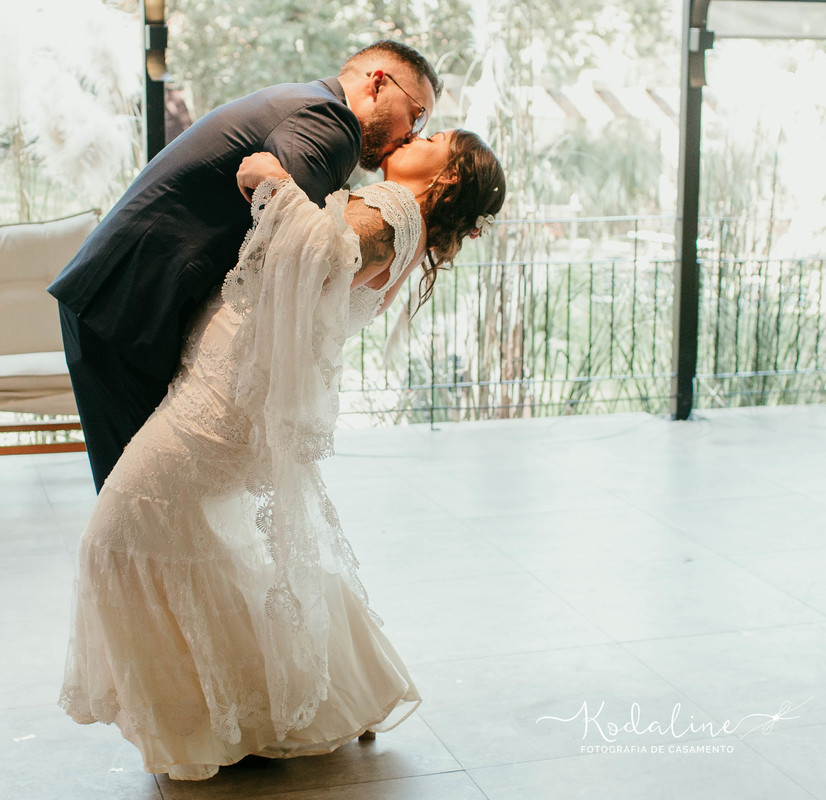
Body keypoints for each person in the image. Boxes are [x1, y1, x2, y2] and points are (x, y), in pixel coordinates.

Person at [60, 129, 507, 780]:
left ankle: (198, 727)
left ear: (446, 178)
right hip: (236, 394)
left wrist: (273, 179)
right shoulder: (400, 218)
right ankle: (295, 703)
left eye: (435, 135)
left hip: (224, 403)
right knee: (205, 547)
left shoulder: (397, 207)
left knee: (116, 537)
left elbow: (325, 252)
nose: (419, 133)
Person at [48, 40, 441, 492]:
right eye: (417, 115)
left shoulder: (307, 102)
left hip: (119, 297)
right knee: (138, 503)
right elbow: (288, 256)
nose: (413, 134)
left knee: (143, 504)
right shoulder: (333, 123)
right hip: (130, 308)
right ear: (377, 83)